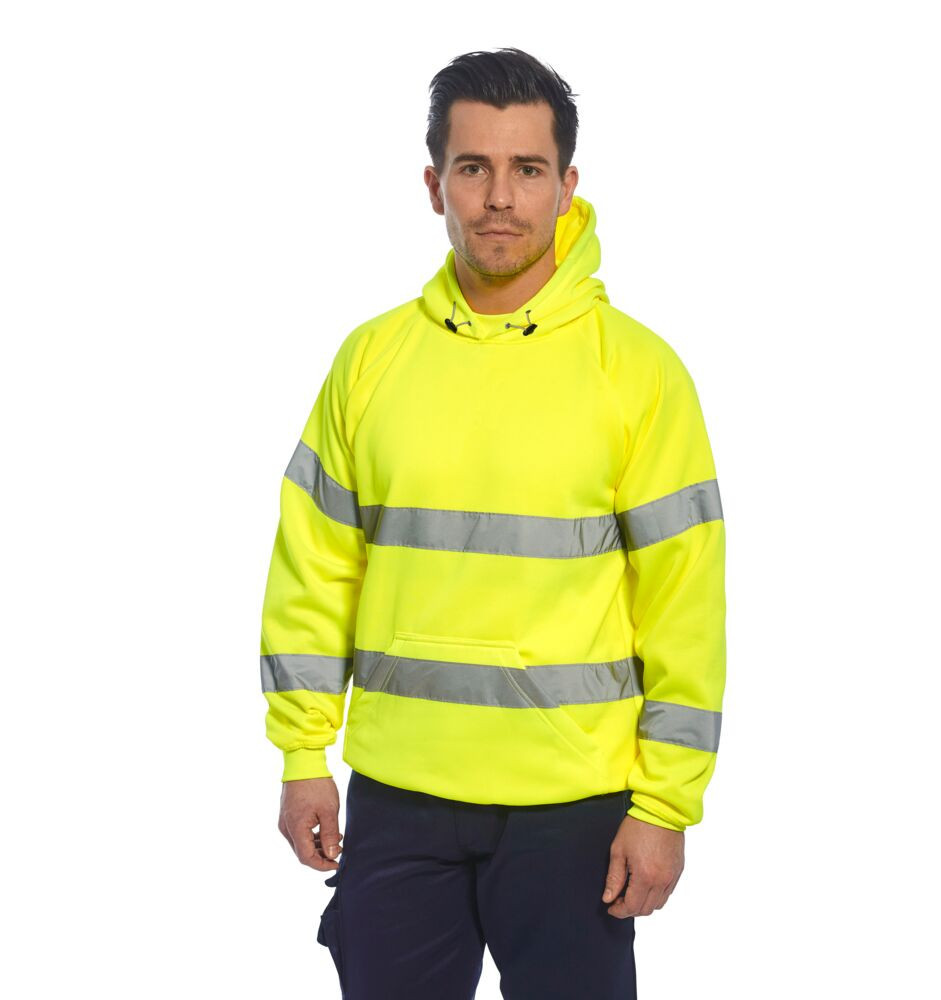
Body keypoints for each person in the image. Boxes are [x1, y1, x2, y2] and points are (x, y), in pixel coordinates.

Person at [259, 46, 727, 999]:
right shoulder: (370, 361)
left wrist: (666, 806)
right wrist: (303, 754)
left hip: (574, 807)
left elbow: (684, 609)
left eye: (528, 169)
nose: (500, 197)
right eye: (473, 167)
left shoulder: (640, 373)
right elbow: (314, 570)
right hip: (398, 797)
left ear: (567, 187)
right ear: (435, 185)